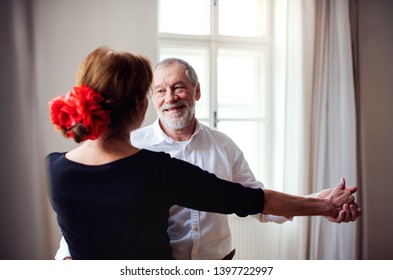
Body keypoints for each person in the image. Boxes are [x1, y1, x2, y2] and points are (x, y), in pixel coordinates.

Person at [47, 46, 359, 260]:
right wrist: (65, 258)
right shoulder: (153, 164)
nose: (170, 98)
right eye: (158, 91)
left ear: (197, 92)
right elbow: (79, 225)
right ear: (144, 103)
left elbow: (254, 198)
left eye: (179, 87)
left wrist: (318, 202)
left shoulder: (54, 167)